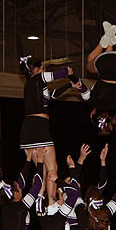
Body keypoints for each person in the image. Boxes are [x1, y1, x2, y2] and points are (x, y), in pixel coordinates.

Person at [19, 55, 75, 206]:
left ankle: (40, 203)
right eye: (42, 67)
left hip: (29, 129)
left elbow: (50, 96)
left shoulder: (32, 85)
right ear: (36, 70)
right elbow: (59, 74)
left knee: (41, 170)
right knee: (52, 169)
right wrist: (68, 71)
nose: (44, 70)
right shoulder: (39, 78)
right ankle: (51, 204)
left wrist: (69, 85)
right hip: (38, 127)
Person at [81, 22, 116, 136]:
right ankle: (104, 40)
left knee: (106, 62)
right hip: (107, 65)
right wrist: (70, 76)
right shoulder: (91, 102)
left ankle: (110, 39)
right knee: (89, 63)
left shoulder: (114, 106)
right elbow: (81, 86)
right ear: (93, 114)